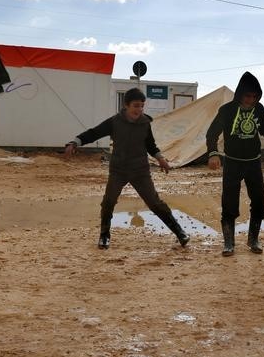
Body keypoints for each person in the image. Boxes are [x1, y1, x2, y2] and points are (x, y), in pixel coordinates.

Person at [64, 87, 189, 249]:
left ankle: (180, 233)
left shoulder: (145, 123)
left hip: (140, 171)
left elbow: (150, 145)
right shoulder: (114, 122)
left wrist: (161, 159)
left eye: (142, 106)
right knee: (108, 202)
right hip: (118, 170)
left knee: (155, 203)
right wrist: (75, 142)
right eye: (136, 106)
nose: (139, 109)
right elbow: (94, 133)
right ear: (126, 106)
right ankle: (104, 235)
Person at [206, 71, 264, 256]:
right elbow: (211, 134)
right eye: (247, 95)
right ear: (240, 94)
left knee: (259, 203)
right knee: (229, 203)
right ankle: (229, 242)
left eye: (255, 96)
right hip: (232, 163)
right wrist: (213, 154)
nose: (251, 99)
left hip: (253, 163)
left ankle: (253, 239)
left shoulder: (259, 109)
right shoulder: (227, 110)